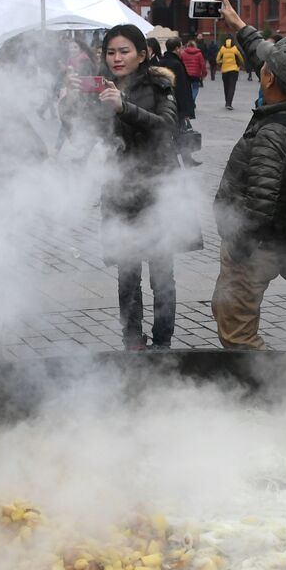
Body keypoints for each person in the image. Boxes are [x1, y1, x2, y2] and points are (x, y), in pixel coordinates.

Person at [209, 0, 286, 349]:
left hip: (255, 247)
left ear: (270, 78)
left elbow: (260, 203)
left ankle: (258, 392)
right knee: (226, 311)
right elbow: (263, 54)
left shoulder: (273, 134)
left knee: (237, 332)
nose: (261, 67)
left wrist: (238, 250)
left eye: (265, 68)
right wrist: (238, 24)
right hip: (279, 238)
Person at [92, 23, 199, 350]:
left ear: (142, 54)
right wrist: (69, 102)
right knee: (127, 276)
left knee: (161, 275)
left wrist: (124, 107)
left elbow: (165, 127)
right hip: (120, 191)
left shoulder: (159, 86)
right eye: (111, 52)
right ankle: (133, 340)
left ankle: (163, 341)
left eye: (124, 51)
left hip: (156, 191)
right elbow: (87, 132)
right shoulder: (102, 87)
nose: (116, 58)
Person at [158, 38, 200, 167]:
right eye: (181, 48)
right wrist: (187, 109)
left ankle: (186, 159)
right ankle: (184, 160)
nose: (182, 50)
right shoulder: (176, 64)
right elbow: (182, 89)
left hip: (165, 104)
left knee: (173, 133)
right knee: (182, 132)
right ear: (177, 48)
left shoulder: (161, 62)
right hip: (177, 105)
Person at [178, 37, 206, 107]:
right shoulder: (199, 54)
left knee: (188, 89)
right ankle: (192, 100)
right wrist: (204, 73)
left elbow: (180, 63)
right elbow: (202, 64)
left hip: (186, 73)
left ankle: (190, 101)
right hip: (196, 74)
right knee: (195, 88)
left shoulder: (183, 53)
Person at [216, 36, 242, 109]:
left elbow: (217, 60)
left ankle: (226, 101)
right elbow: (241, 58)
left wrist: (222, 61)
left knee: (226, 86)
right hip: (234, 70)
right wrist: (241, 65)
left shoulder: (222, 49)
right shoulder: (235, 49)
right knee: (232, 87)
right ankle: (229, 103)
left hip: (224, 70)